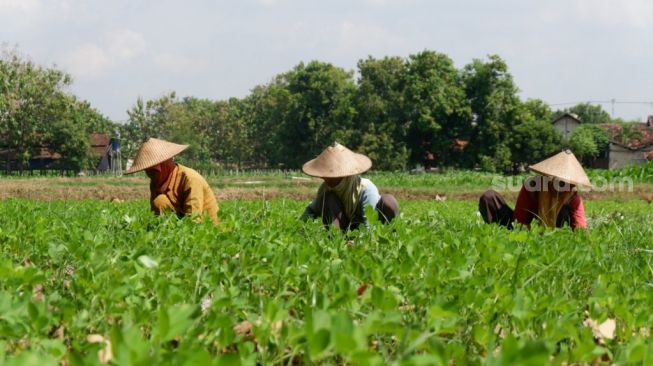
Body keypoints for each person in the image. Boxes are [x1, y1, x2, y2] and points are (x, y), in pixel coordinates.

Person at [479, 150, 590, 230]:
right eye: (560, 181)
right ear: (550, 177)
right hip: (524, 228)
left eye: (568, 183)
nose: (564, 186)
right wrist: (525, 237)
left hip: (556, 232)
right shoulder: (532, 187)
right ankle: (497, 234)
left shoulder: (572, 196)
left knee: (565, 212)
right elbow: (520, 219)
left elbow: (580, 226)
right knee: (489, 197)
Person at [301, 142, 399, 231]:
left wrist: (363, 241)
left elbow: (369, 221)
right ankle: (337, 240)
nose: (325, 178)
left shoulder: (366, 188)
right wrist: (299, 228)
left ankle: (391, 234)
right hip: (348, 229)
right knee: (329, 198)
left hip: (372, 229)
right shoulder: (325, 189)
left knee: (389, 201)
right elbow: (311, 209)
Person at [125, 138, 219, 224]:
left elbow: (194, 218)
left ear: (167, 163)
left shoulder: (190, 179)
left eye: (154, 170)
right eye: (147, 170)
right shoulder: (154, 182)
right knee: (160, 201)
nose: (150, 174)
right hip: (179, 224)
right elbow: (156, 213)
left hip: (205, 226)